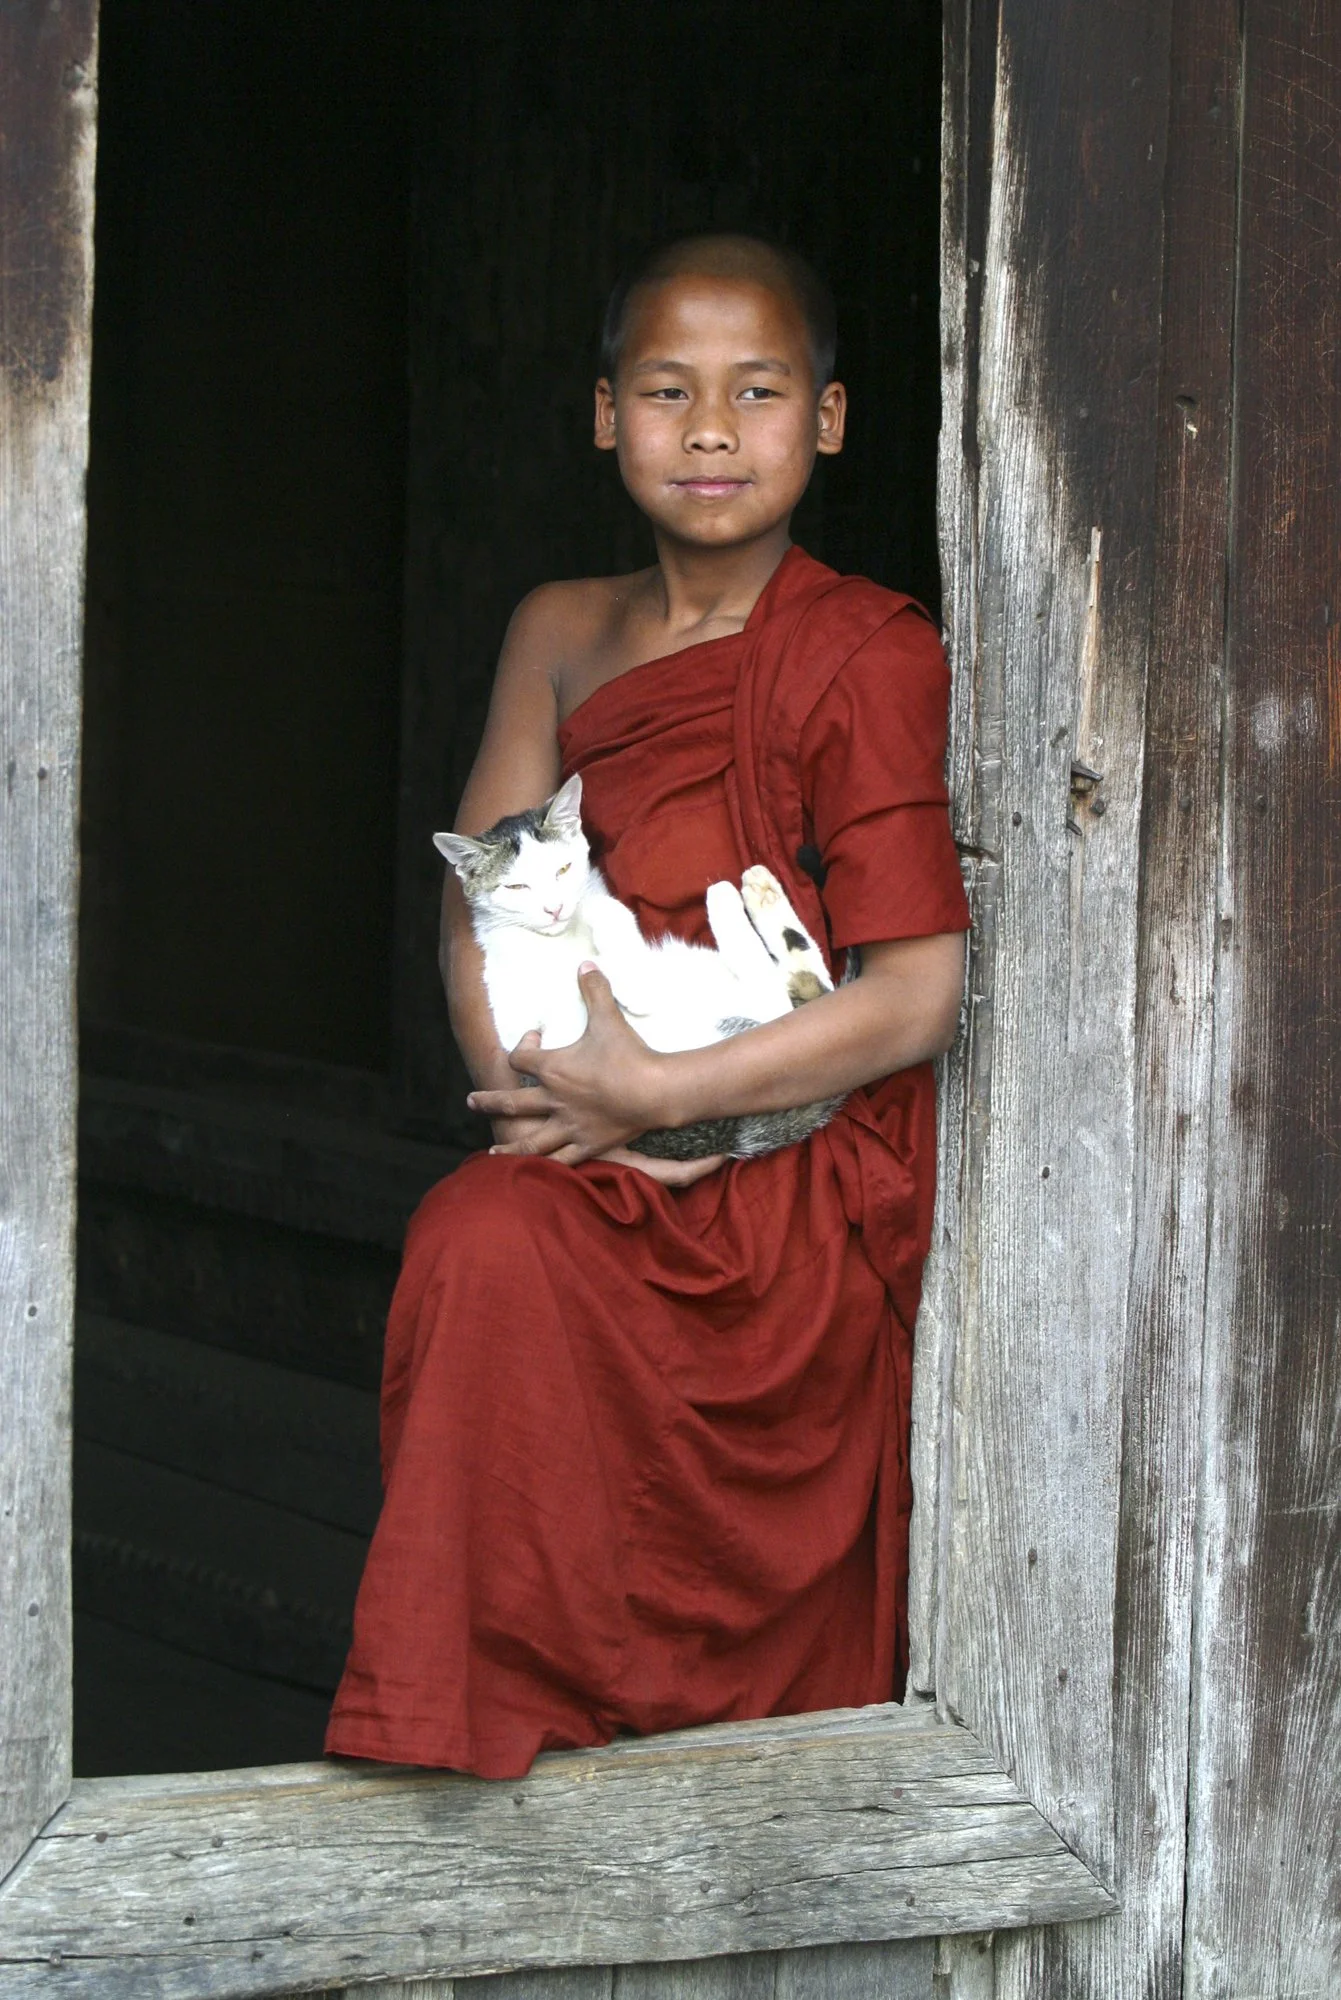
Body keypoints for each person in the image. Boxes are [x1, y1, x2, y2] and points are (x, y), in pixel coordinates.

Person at [325, 234, 971, 1779]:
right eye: (667, 391)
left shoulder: (868, 654)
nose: (707, 430)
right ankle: (472, 1721)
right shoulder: (558, 630)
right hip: (592, 1138)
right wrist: (553, 1105)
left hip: (780, 1173)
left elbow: (921, 992)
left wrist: (675, 1105)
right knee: (478, 1239)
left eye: (756, 394)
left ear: (823, 422)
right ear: (603, 413)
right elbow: (490, 891)